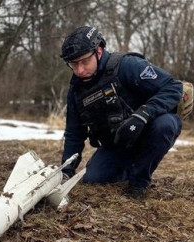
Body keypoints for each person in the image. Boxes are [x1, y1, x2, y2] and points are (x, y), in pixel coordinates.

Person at [59, 26, 183, 200]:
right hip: (118, 144)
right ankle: (130, 167)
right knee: (93, 178)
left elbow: (173, 87)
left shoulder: (127, 65)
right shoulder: (76, 91)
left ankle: (139, 182)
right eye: (73, 64)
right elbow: (74, 133)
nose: (79, 70)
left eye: (84, 61)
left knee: (165, 125)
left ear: (98, 51)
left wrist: (144, 114)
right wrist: (66, 170)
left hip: (149, 130)